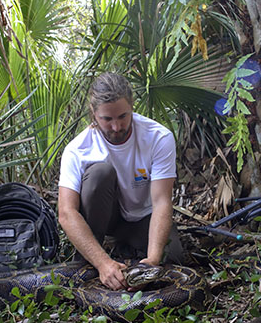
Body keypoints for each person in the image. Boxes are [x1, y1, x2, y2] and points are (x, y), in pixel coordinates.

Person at [58, 72, 183, 290]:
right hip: (107, 221)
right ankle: (88, 261)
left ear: (132, 106)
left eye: (123, 116)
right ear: (94, 114)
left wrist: (152, 262)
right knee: (99, 174)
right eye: (107, 119)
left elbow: (162, 202)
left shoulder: (158, 137)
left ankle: (127, 249)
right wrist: (102, 263)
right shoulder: (77, 149)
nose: (116, 127)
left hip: (143, 217)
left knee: (174, 257)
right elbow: (66, 213)